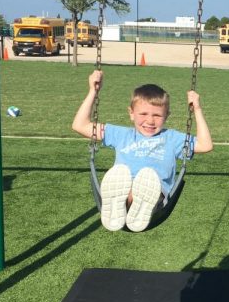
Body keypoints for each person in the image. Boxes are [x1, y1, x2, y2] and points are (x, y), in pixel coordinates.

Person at [72, 70, 213, 232]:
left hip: (156, 195)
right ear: (131, 114)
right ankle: (119, 204)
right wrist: (93, 92)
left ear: (167, 116)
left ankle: (132, 204)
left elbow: (205, 145)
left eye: (157, 115)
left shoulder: (173, 139)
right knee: (124, 180)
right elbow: (80, 125)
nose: (150, 121)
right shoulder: (121, 134)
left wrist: (197, 109)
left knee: (148, 182)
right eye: (143, 114)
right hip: (125, 185)